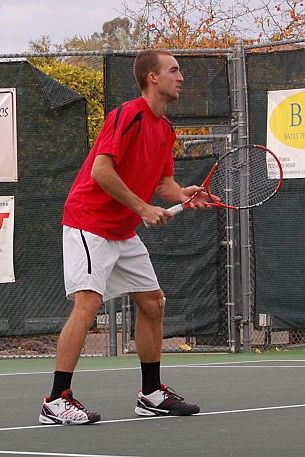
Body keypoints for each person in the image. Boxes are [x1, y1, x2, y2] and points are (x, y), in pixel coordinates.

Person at [38, 49, 210, 425]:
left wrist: (183, 194)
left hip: (122, 229)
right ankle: (56, 399)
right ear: (152, 77)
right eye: (174, 70)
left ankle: (151, 395)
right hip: (89, 222)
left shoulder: (165, 130)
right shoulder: (127, 115)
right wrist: (143, 208)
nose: (181, 77)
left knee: (153, 302)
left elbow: (164, 183)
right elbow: (101, 170)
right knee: (87, 305)